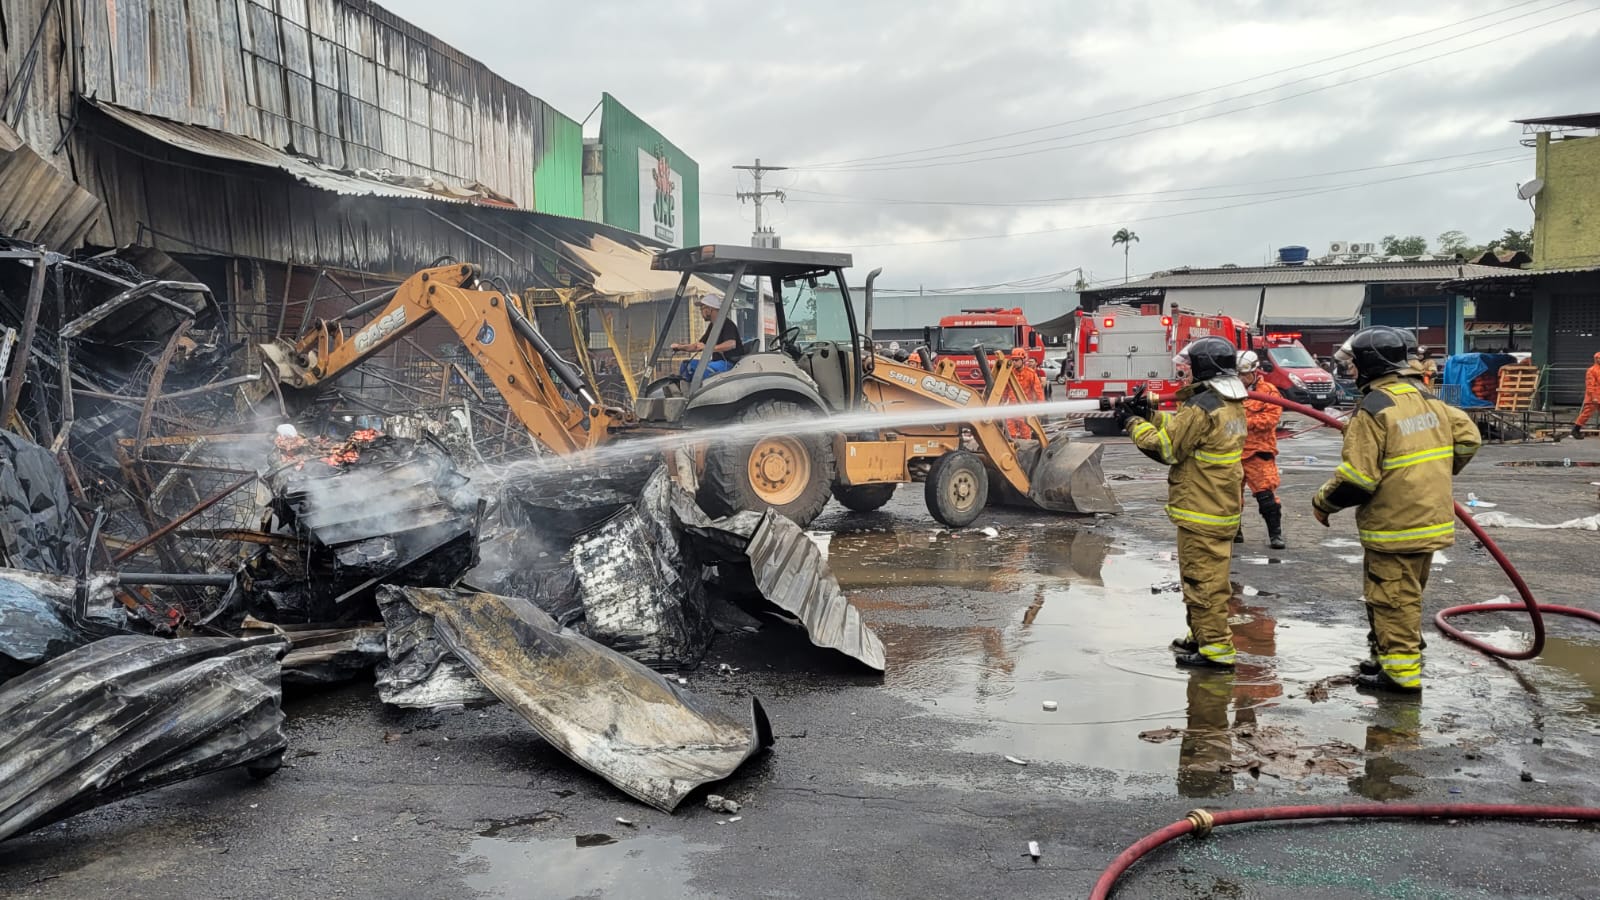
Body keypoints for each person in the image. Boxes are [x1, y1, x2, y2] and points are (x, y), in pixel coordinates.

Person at [1312, 326, 1481, 693]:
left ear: (1371, 363)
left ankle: (1401, 676)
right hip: (1427, 520)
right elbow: (1469, 437)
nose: (1352, 372)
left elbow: (1357, 479)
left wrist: (1322, 502)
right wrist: (1435, 472)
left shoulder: (1374, 408)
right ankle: (1391, 658)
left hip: (1394, 525)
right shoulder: (1427, 397)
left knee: (1392, 600)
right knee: (1406, 597)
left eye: (1355, 365)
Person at [1118, 336, 1248, 670]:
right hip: (1218, 506)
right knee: (1206, 577)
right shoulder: (1226, 402)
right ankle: (1202, 635)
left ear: (1204, 367)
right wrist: (1150, 414)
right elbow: (1185, 432)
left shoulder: (1203, 406)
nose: (1185, 371)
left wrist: (1133, 424)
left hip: (1202, 509)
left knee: (1201, 580)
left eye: (1190, 366)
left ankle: (1215, 649)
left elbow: (1167, 448)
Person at [1236, 351, 1286, 549]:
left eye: (1243, 375)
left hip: (1258, 452)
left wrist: (1241, 422)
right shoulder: (1228, 391)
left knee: (1266, 497)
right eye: (1237, 375)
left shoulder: (1269, 392)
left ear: (1254, 372)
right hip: (1233, 453)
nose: (1240, 379)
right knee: (1230, 497)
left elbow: (1271, 419)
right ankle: (1235, 532)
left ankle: (1275, 535)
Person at [672, 293, 743, 382]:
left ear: (709, 309)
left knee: (701, 368)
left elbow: (731, 344)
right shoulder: (712, 326)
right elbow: (698, 346)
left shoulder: (727, 324)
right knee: (686, 364)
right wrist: (680, 347)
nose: (701, 312)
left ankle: (699, 393)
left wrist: (708, 348)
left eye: (702, 308)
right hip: (716, 363)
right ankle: (687, 390)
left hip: (728, 364)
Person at [1005, 348, 1044, 439]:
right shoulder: (1009, 373)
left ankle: (1026, 449)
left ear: (1023, 360)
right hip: (1011, 408)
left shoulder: (1030, 374)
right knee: (1011, 434)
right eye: (1013, 360)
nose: (1014, 362)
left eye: (1016, 360)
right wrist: (1001, 401)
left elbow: (1038, 391)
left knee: (1025, 433)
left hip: (1025, 408)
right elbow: (1005, 389)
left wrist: (1040, 406)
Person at [1572, 351, 1600, 440]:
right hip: (1593, 397)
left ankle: (1576, 430)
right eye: (1598, 358)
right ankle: (1576, 430)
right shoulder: (1591, 370)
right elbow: (1590, 385)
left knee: (1586, 413)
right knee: (1586, 414)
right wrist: (1594, 397)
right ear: (1595, 359)